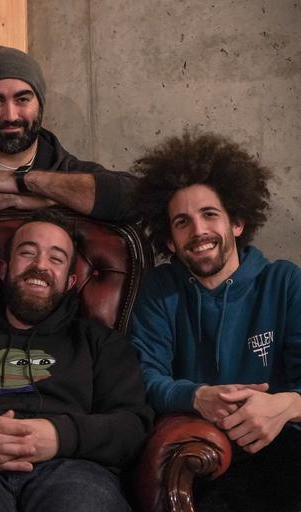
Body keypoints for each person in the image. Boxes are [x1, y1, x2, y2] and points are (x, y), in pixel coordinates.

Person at [0, 209, 153, 512]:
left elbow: (132, 426)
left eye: (56, 258)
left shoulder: (101, 343)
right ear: (3, 269)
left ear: (70, 281)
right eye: (27, 253)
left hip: (73, 468)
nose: (40, 265)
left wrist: (59, 436)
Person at [130, 131, 301, 511]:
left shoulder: (285, 282)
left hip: (283, 450)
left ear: (236, 222)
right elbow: (145, 376)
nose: (199, 232)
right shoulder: (160, 289)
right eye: (182, 222)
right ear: (170, 241)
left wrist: (288, 404)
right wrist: (197, 396)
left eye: (209, 215)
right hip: (203, 454)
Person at [0, 45, 139, 222]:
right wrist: (10, 198)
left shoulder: (65, 169)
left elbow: (137, 199)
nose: (10, 115)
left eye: (22, 99)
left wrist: (27, 182)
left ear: (40, 104)